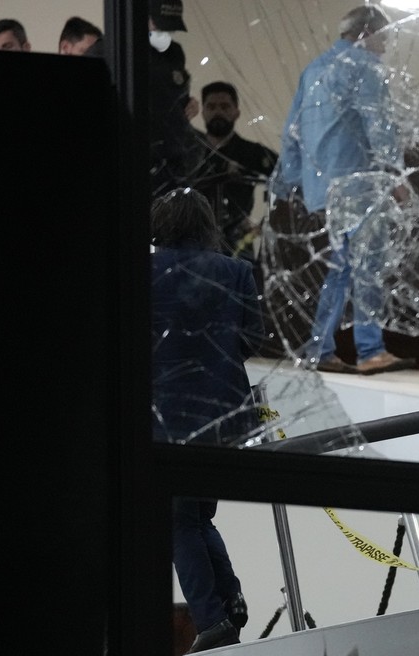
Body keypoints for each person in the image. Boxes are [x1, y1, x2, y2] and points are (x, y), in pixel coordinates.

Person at [150, 187, 262, 652]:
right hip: (224, 417)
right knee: (197, 515)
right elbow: (252, 339)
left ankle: (212, 617)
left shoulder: (144, 270)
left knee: (179, 521)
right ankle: (229, 601)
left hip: (165, 417)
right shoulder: (238, 271)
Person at [275, 4, 414, 375]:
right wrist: (396, 176)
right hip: (359, 181)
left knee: (341, 267)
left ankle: (320, 347)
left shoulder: (314, 69)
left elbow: (292, 128)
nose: (386, 45)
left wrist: (285, 183)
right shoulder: (364, 67)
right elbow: (378, 123)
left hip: (322, 185)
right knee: (368, 264)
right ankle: (370, 349)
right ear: (366, 33)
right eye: (384, 36)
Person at [190, 81, 279, 259]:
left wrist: (265, 224)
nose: (218, 112)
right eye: (212, 106)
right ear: (203, 111)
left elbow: (286, 181)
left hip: (238, 247)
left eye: (225, 106)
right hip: (193, 245)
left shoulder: (252, 153)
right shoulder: (189, 151)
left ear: (236, 112)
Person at [148, 0, 198, 197]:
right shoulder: (127, 51)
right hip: (145, 154)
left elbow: (175, 91)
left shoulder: (175, 53)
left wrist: (189, 104)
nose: (164, 34)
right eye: (160, 26)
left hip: (174, 154)